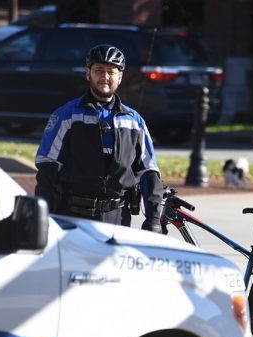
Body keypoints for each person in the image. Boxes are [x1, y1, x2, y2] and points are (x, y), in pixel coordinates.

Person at [35, 44, 163, 232]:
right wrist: (43, 218)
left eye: (111, 72)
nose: (105, 77)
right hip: (73, 218)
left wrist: (153, 220)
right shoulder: (67, 115)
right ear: (88, 73)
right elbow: (47, 169)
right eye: (99, 71)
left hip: (118, 219)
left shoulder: (134, 121)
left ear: (120, 77)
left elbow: (149, 173)